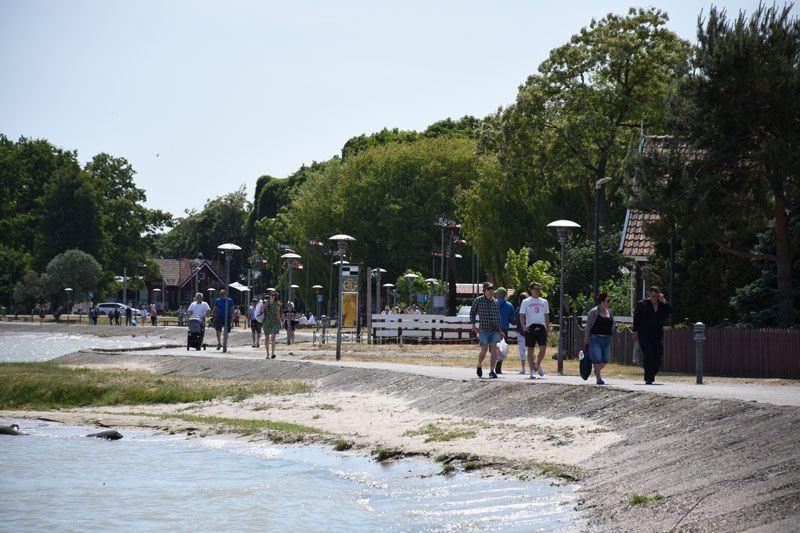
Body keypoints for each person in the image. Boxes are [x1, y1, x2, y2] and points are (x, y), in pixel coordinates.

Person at [633, 286, 672, 385]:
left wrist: (663, 300)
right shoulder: (642, 304)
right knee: (648, 355)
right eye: (653, 296)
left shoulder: (661, 304)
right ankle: (648, 378)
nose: (654, 298)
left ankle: (652, 373)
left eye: (656, 296)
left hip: (657, 335)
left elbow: (669, 311)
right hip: (644, 334)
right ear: (649, 295)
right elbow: (636, 318)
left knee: (658, 355)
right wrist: (635, 331)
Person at [470, 282, 503, 379]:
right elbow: (472, 313)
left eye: (492, 288)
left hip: (494, 329)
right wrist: (473, 324)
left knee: (494, 350)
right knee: (483, 351)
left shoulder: (495, 302)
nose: (491, 290)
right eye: (489, 289)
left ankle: (492, 371)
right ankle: (479, 364)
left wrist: (500, 330)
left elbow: (498, 316)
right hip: (484, 329)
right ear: (484, 291)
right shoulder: (478, 301)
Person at [585, 291, 618, 385]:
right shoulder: (594, 312)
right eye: (608, 300)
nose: (609, 302)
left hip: (607, 339)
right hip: (595, 338)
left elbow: (613, 325)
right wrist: (587, 336)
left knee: (606, 358)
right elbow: (588, 325)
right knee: (597, 358)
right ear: (602, 301)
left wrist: (616, 337)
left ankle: (597, 370)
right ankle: (598, 378)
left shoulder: (610, 312)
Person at [519, 282, 551, 379]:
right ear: (531, 290)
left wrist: (547, 328)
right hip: (530, 326)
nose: (538, 291)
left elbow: (546, 316)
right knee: (530, 348)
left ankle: (537, 364)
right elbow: (521, 315)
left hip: (541, 326)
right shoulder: (526, 302)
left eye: (539, 289)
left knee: (543, 348)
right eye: (536, 289)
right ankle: (531, 370)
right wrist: (523, 326)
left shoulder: (544, 302)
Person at [494, 287, 516, 375]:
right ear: (504, 295)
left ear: (498, 294)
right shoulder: (509, 305)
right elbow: (512, 319)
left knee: (494, 346)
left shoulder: (493, 303)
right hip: (504, 329)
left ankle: (494, 361)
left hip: (494, 328)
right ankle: (499, 365)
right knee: (502, 348)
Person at [261, 291, 282, 359]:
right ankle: (267, 354)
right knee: (267, 338)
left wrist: (280, 323)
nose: (273, 296)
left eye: (274, 295)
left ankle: (273, 353)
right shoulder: (265, 302)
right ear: (269, 295)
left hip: (274, 321)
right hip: (267, 321)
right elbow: (262, 311)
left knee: (273, 337)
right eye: (271, 295)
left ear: (275, 296)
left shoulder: (277, 304)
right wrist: (265, 305)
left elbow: (278, 314)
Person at [515, 292, 529, 374]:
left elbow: (516, 321)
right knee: (530, 349)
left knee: (522, 350)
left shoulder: (518, 309)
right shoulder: (529, 308)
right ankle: (532, 364)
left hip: (520, 331)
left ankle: (523, 367)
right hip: (529, 331)